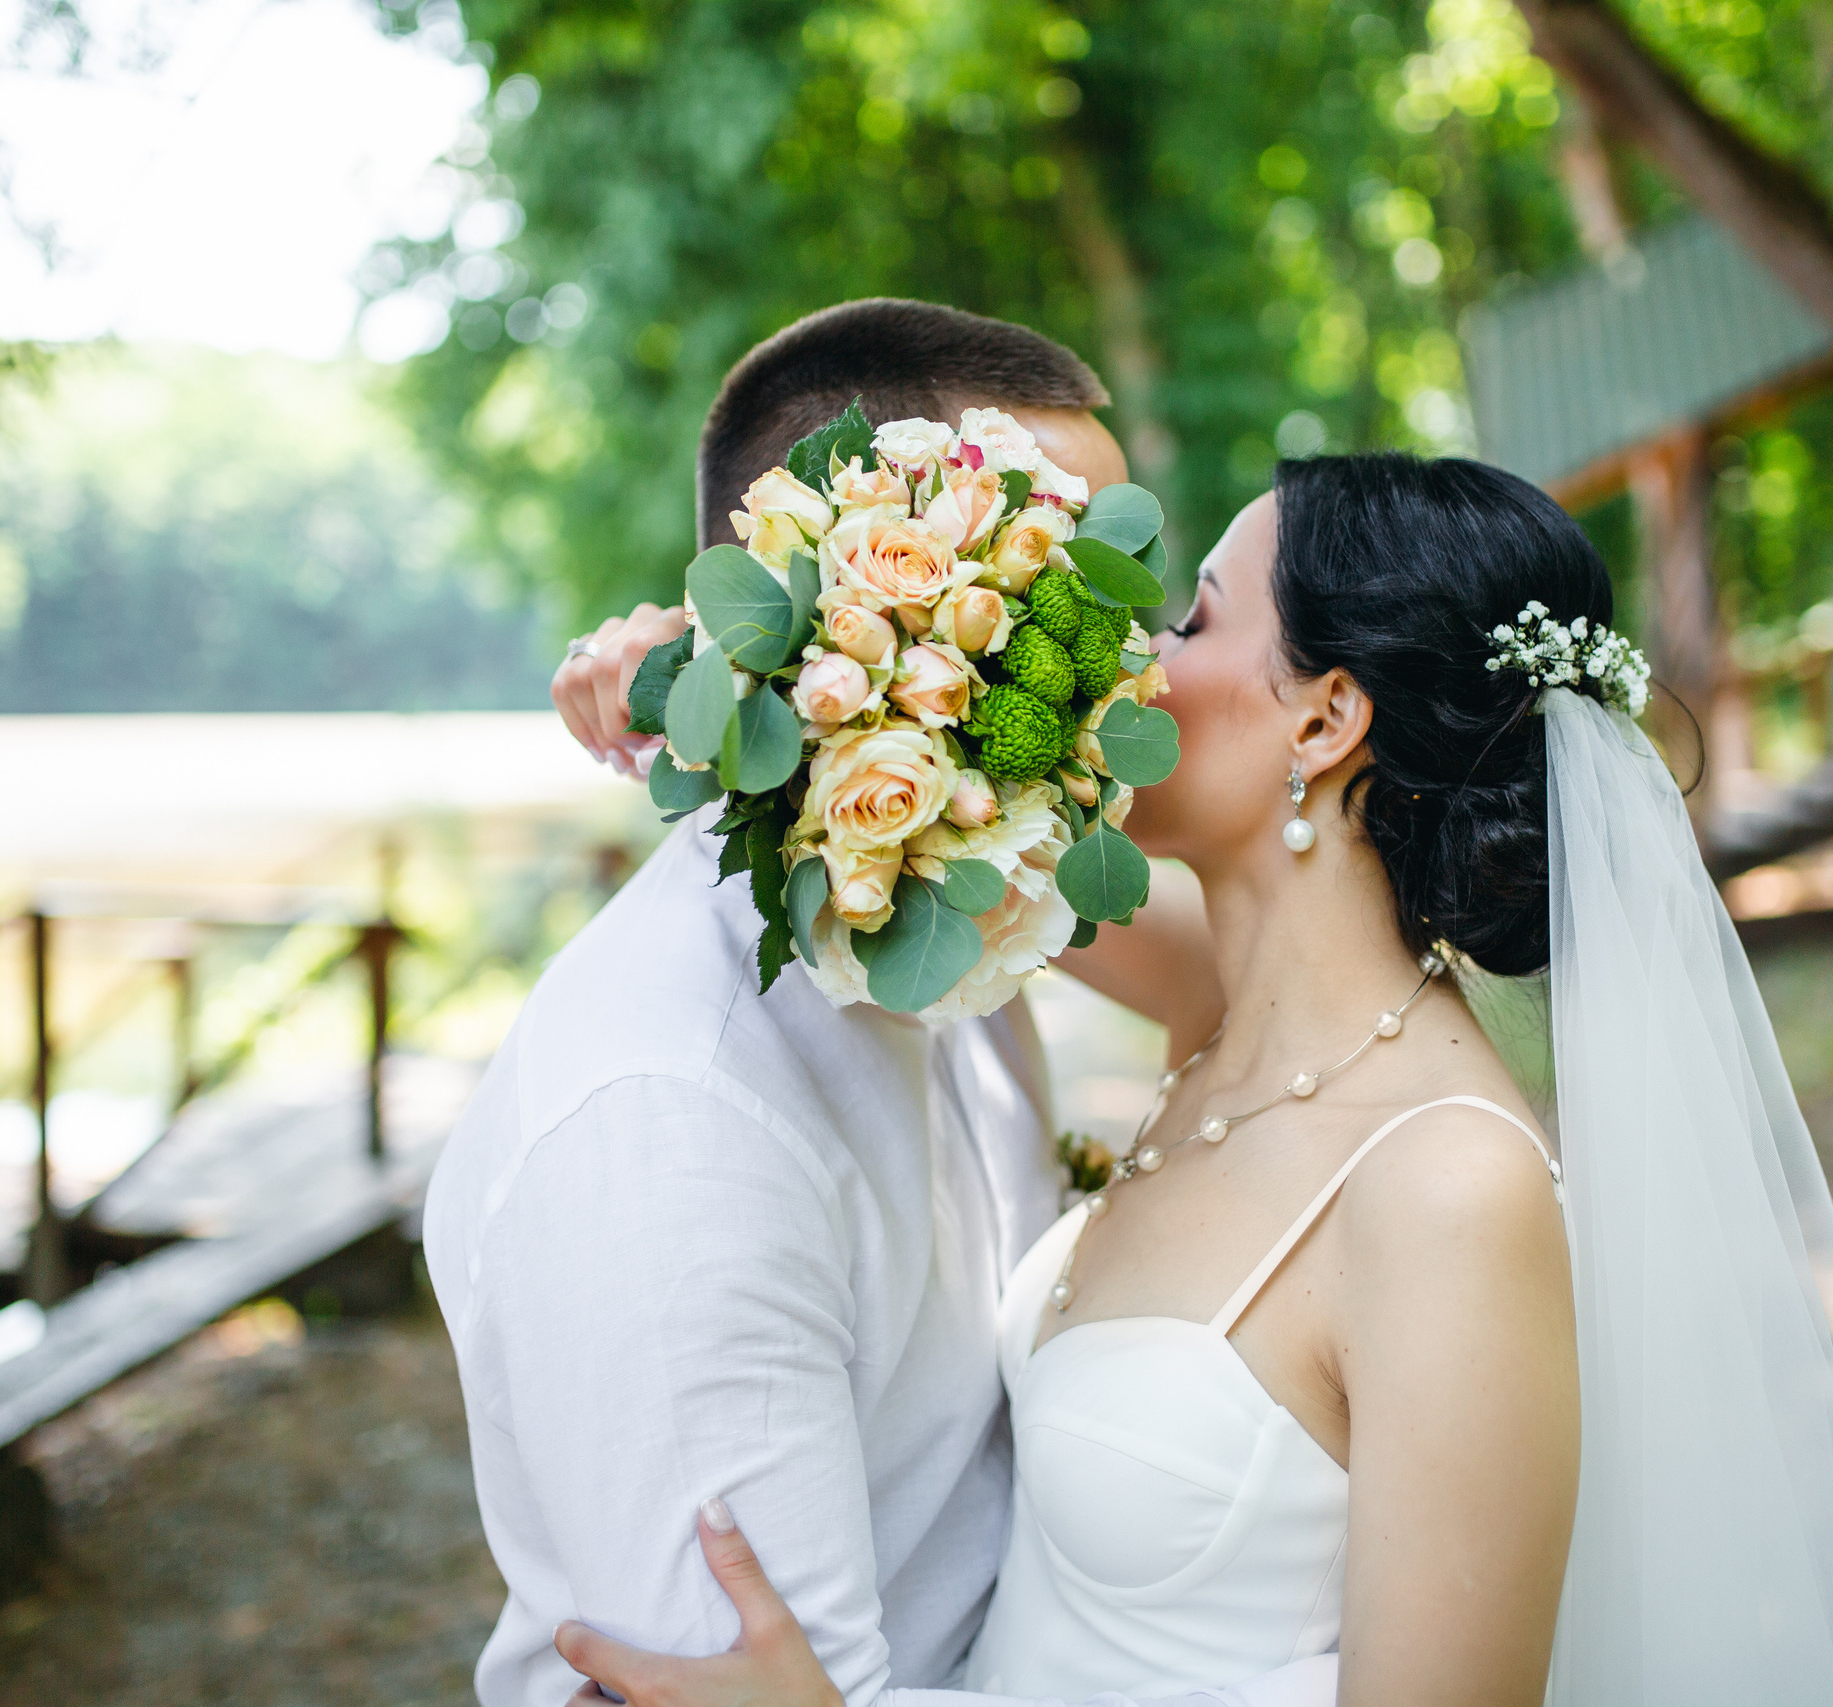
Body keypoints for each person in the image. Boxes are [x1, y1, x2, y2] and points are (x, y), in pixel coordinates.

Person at [552, 454, 1833, 1707]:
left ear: (1323, 720)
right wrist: (711, 670)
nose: (1135, 653)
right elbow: (925, 805)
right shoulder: (1222, 1008)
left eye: (1193, 618)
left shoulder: (1448, 1189)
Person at [423, 298, 1331, 1707]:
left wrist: (745, 712)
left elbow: (1269, 980)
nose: (1132, 666)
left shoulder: (960, 906)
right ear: (866, 605)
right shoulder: (668, 1124)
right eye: (1062, 596)